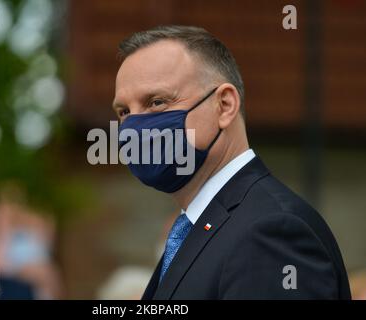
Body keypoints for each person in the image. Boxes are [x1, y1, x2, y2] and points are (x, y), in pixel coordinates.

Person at [112, 25, 351, 299]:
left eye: (156, 102)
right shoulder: (198, 229)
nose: (135, 127)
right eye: (124, 112)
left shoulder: (271, 232)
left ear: (224, 105)